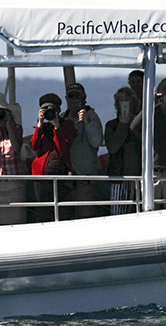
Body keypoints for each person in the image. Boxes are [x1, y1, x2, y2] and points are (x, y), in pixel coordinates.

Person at [30, 93, 75, 222]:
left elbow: (63, 149)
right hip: (40, 175)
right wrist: (39, 124)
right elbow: (34, 146)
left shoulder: (67, 125)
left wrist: (56, 127)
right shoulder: (43, 128)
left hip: (59, 174)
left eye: (52, 109)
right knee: (43, 211)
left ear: (59, 110)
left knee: (62, 212)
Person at [61, 83, 103, 219]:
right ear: (66, 98)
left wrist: (87, 122)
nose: (74, 99)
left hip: (85, 180)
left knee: (85, 218)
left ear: (84, 98)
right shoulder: (60, 119)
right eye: (71, 96)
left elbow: (96, 142)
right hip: (63, 179)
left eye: (77, 96)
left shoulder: (92, 117)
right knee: (64, 219)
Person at [104, 86, 142, 214]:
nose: (124, 102)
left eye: (127, 99)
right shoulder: (111, 125)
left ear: (134, 102)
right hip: (119, 178)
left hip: (140, 178)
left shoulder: (142, 123)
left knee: (140, 213)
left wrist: (133, 124)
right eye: (121, 100)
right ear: (117, 104)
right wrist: (122, 126)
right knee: (118, 214)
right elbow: (112, 148)